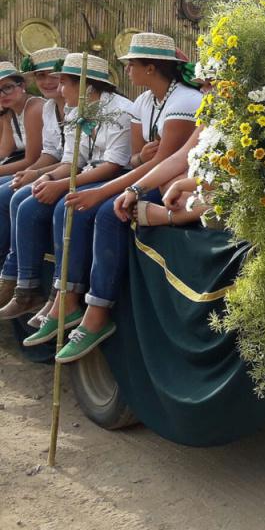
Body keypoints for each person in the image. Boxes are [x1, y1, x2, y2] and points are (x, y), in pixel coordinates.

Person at [51, 33, 202, 362]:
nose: (127, 72)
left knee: (106, 212)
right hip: (149, 174)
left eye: (131, 65)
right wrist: (137, 165)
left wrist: (113, 189)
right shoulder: (145, 102)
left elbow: (166, 162)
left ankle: (98, 312)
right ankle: (67, 296)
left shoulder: (185, 102)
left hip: (173, 182)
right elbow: (135, 159)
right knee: (78, 205)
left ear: (150, 68)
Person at [0, 54, 133, 327]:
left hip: (114, 176)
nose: (59, 90)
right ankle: (25, 288)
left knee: (66, 205)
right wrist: (45, 177)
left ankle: (62, 294)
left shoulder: (121, 110)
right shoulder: (76, 110)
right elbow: (71, 160)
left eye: (64, 83)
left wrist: (59, 185)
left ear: (88, 87)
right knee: (24, 201)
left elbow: (112, 166)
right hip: (84, 173)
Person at [0, 47, 71, 326]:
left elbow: (35, 157)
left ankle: (19, 279)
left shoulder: (37, 106)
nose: (47, 82)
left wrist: (35, 173)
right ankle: (13, 278)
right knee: (11, 192)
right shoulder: (50, 108)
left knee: (11, 195)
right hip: (55, 167)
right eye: (41, 76)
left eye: (8, 87)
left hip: (79, 172)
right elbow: (11, 152)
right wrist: (35, 172)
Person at [0, 61, 44, 176]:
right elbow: (3, 152)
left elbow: (32, 160)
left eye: (8, 87)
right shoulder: (9, 112)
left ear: (22, 86)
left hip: (44, 169)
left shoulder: (34, 108)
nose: (2, 95)